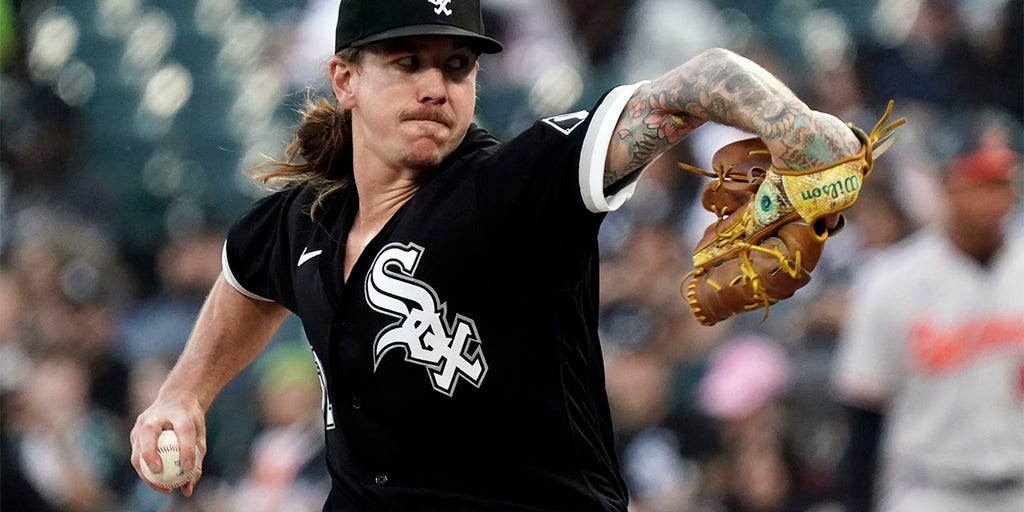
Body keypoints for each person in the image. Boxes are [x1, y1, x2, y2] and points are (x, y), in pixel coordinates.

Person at [129, 0, 864, 510]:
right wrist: (185, 393)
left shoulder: (516, 185)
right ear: (344, 79)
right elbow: (245, 279)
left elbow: (691, 86)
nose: (434, 86)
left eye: (456, 65)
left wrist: (795, 126)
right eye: (407, 61)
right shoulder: (306, 219)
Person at [832, 144, 1024, 512]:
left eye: (1002, 186)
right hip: (932, 490)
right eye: (980, 186)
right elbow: (864, 411)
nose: (993, 201)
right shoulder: (891, 281)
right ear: (948, 187)